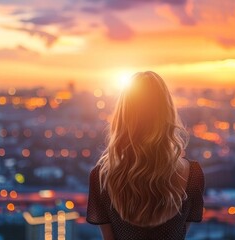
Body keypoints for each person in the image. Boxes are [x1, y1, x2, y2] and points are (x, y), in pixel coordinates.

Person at [86, 71, 204, 240]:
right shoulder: (193, 175)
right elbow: (180, 233)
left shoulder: (101, 178)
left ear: (123, 116)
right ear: (167, 113)